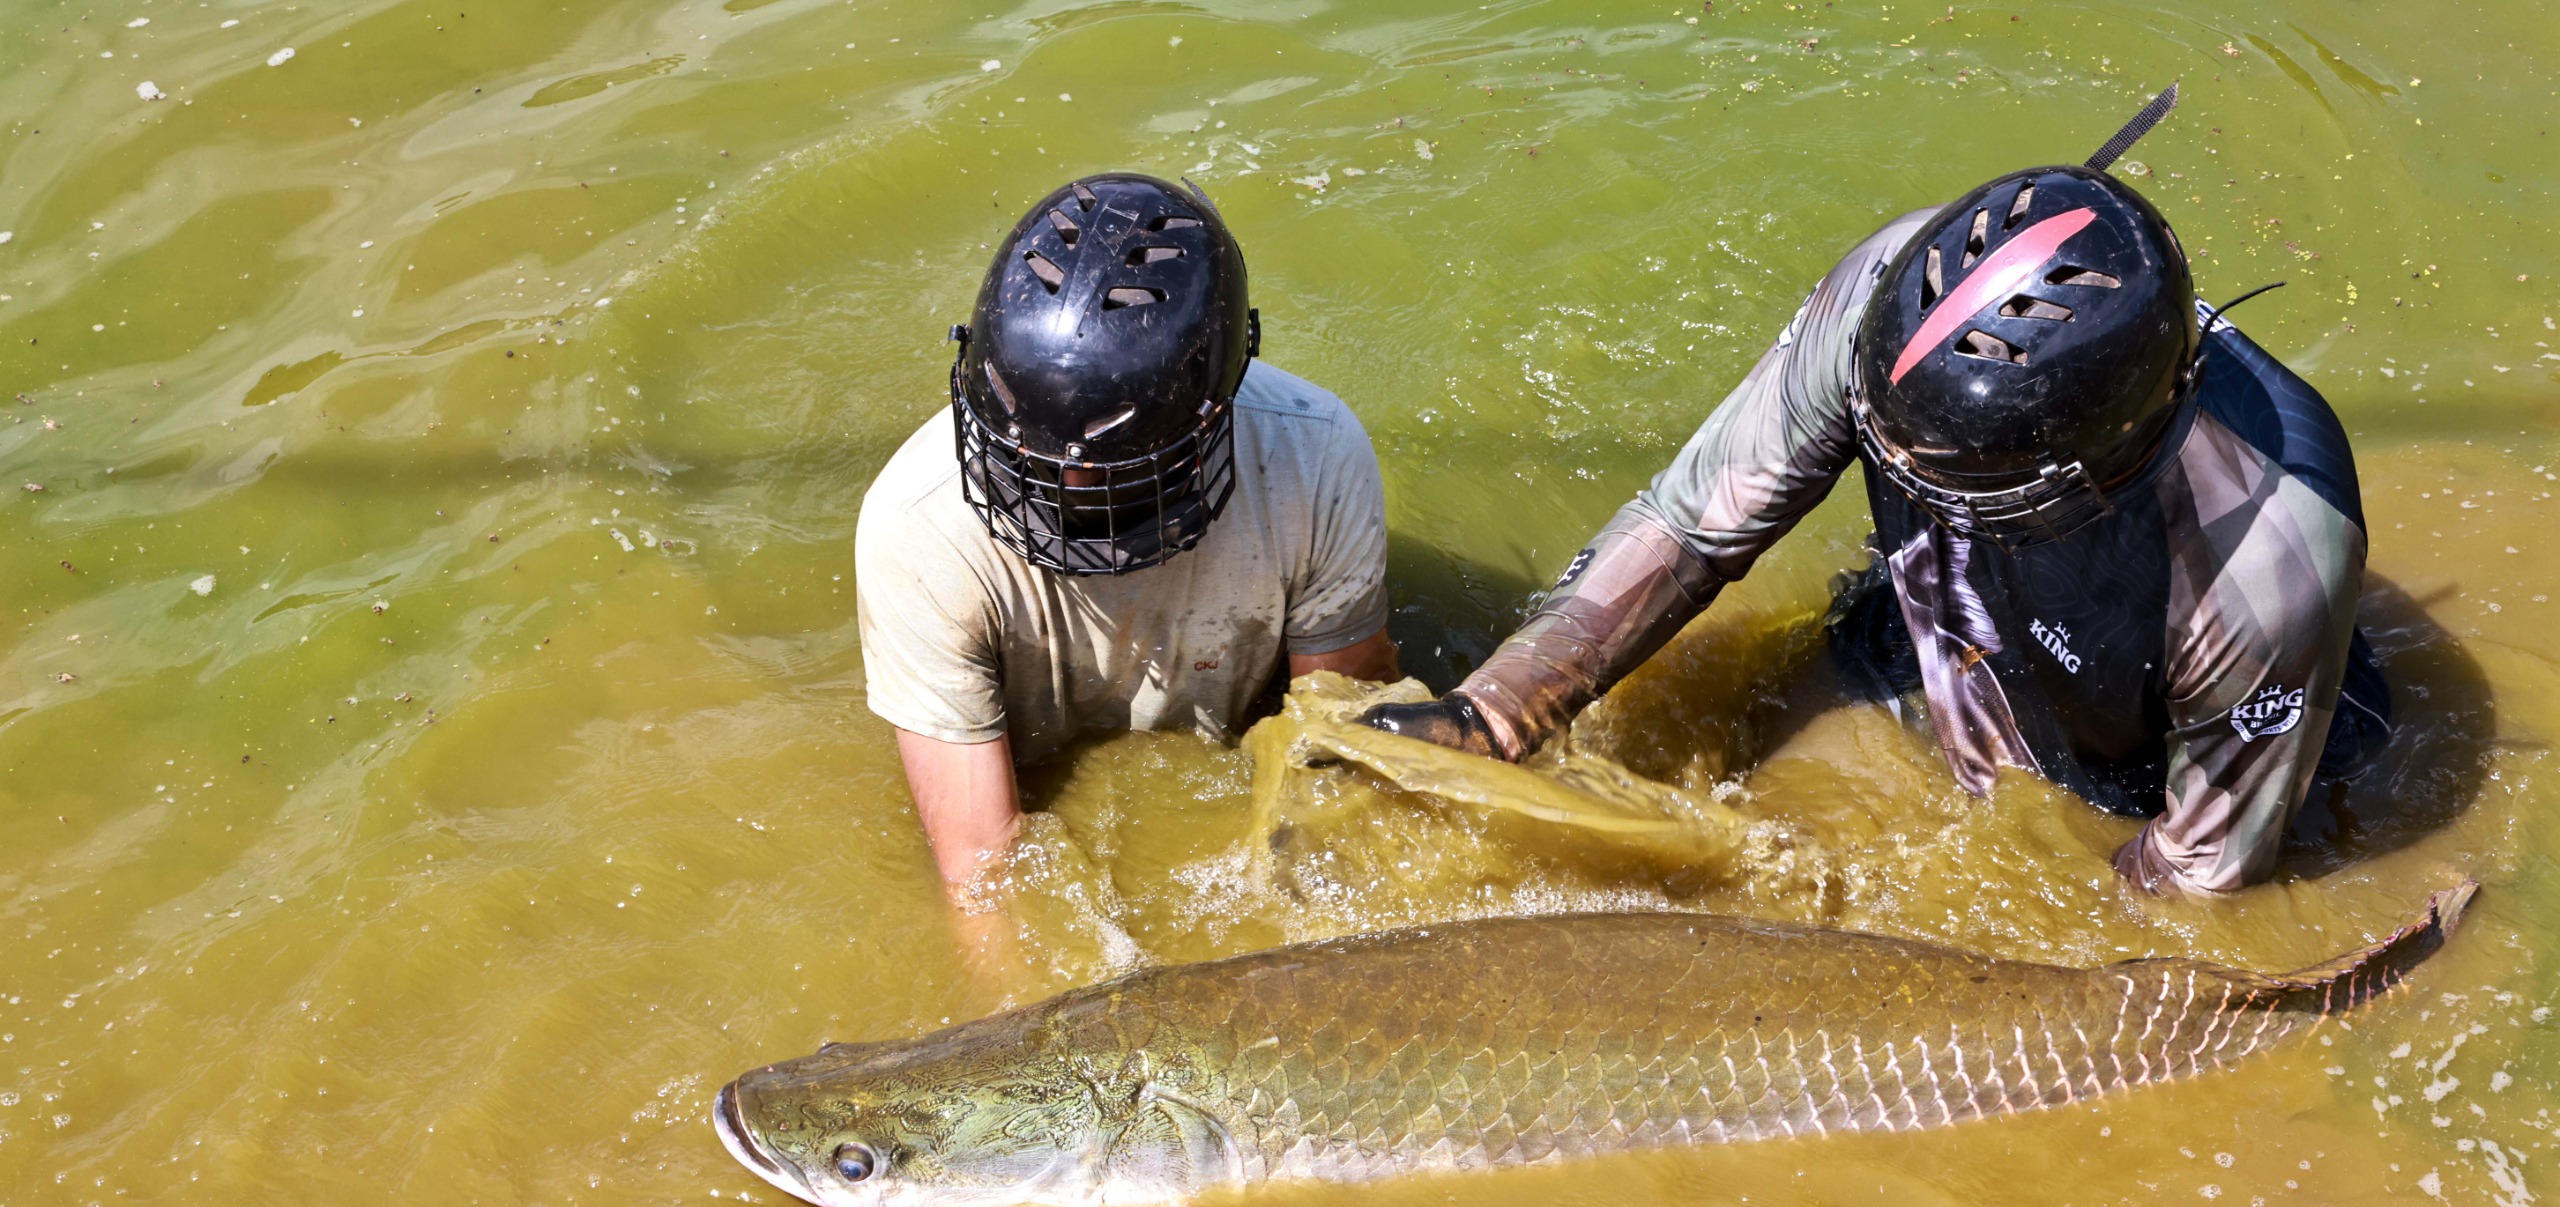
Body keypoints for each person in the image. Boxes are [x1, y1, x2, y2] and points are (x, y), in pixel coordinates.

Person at [1362, 150, 2389, 896]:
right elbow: (1692, 523)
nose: (1885, 472)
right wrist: (1494, 714)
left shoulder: (2265, 570)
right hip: (1935, 637)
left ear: (2074, 479)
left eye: (1936, 477)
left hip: (2143, 755)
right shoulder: (1889, 303)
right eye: (1880, 443)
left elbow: (2195, 881)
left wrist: (2006, 942)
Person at [857, 173, 1398, 898]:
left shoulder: (1315, 457)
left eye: (1115, 470)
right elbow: (987, 876)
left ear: (1216, 416)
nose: (1067, 492)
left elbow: (1333, 755)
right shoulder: (918, 529)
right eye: (1034, 464)